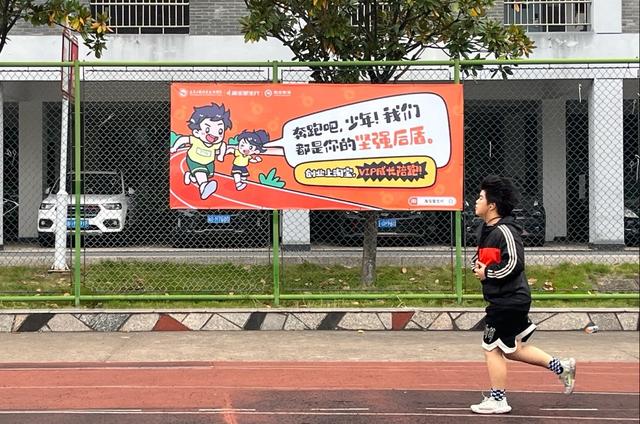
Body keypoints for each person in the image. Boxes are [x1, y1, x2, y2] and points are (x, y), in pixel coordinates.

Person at [469, 175, 576, 415]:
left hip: (509, 300)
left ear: (492, 205)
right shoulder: (487, 230)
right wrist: (478, 267)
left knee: (491, 347)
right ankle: (562, 367)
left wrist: (488, 273)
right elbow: (485, 258)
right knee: (512, 348)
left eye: (480, 197)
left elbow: (515, 263)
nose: (476, 201)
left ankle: (499, 399)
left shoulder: (506, 230)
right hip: (504, 299)